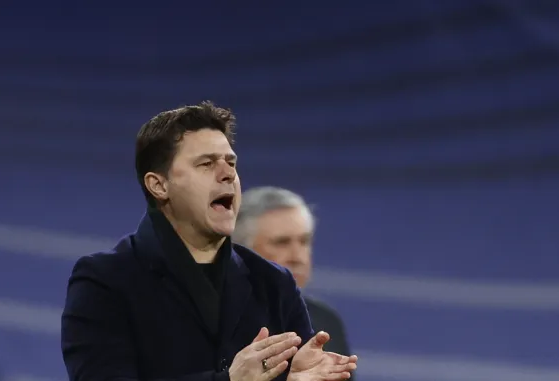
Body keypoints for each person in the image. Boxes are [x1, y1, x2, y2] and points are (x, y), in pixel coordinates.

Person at [61, 101, 358, 381]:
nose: (227, 174)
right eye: (206, 164)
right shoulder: (105, 281)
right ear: (159, 185)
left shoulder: (274, 283)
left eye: (231, 162)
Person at [233, 187, 354, 381]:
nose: (298, 257)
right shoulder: (214, 321)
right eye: (281, 243)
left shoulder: (325, 322)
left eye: (304, 241)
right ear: (241, 251)